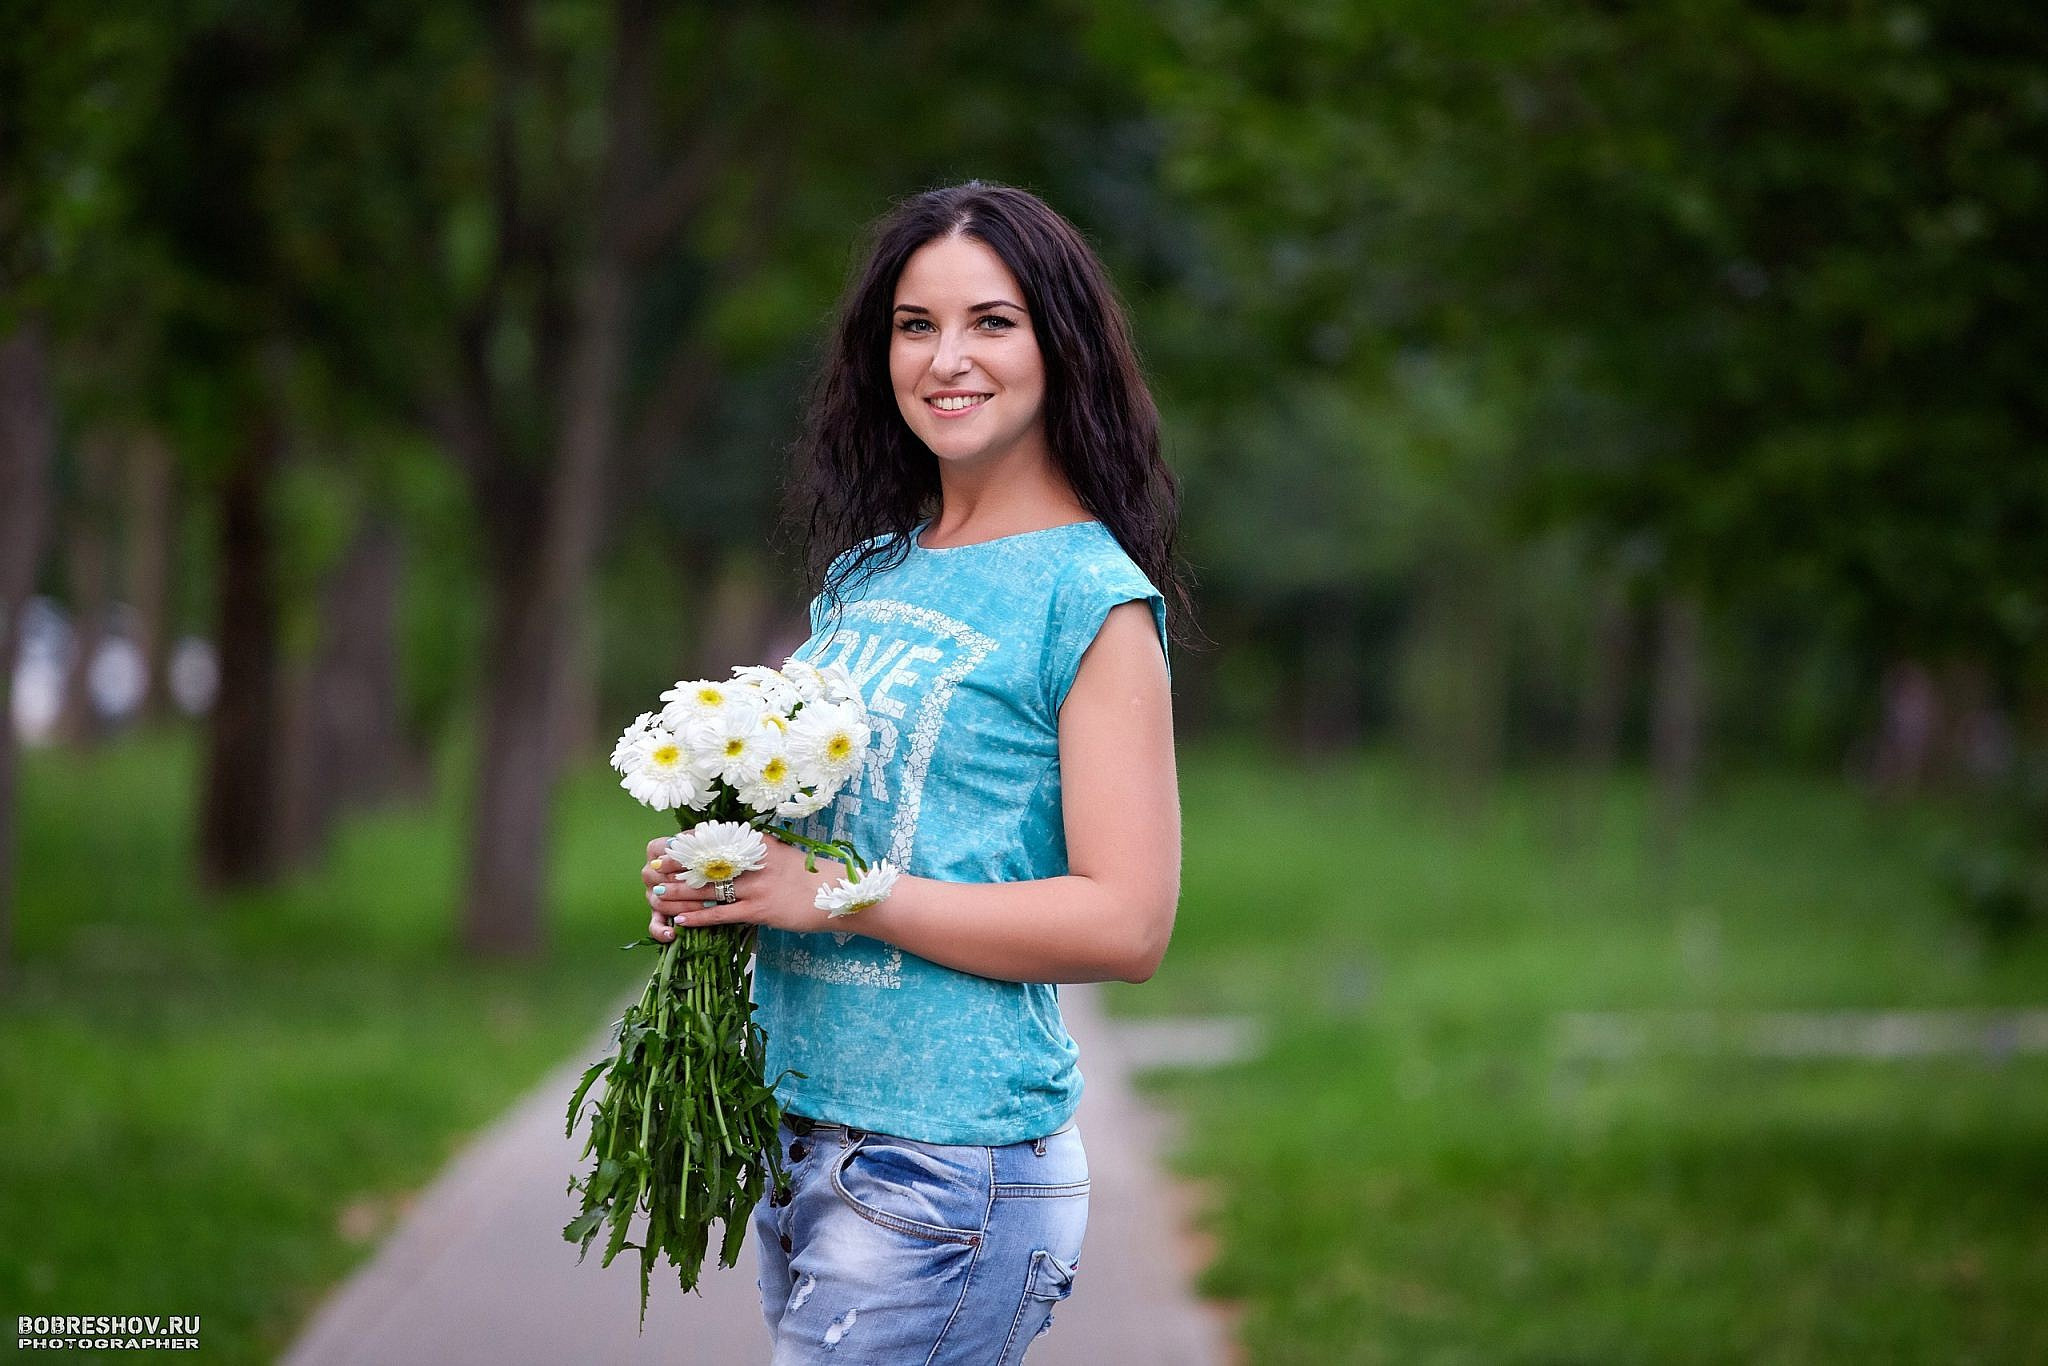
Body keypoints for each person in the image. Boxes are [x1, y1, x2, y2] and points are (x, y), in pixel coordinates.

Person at [635, 180, 1195, 1364]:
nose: (947, 358)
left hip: (949, 1166)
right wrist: (729, 875)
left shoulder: (1085, 599)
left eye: (991, 322)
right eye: (913, 323)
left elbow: (1127, 922)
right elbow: (847, 830)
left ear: (1062, 346)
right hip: (805, 1140)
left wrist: (835, 895)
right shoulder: (867, 575)